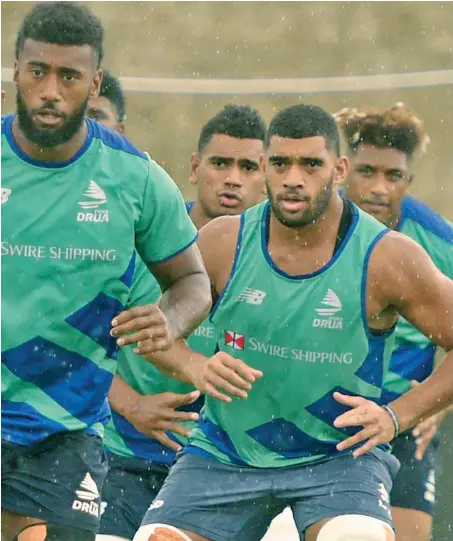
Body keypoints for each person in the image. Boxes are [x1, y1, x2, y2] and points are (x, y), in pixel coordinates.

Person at [112, 102, 453, 541]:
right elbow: (155, 333)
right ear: (265, 167)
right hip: (224, 454)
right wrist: (194, 366)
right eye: (279, 163)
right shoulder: (223, 242)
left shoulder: (388, 257)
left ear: (340, 169)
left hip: (339, 458)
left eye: (311, 164)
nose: (293, 178)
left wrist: (396, 415)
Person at [1, 2, 211, 540]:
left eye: (68, 76)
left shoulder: (134, 178)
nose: (50, 90)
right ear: (16, 72)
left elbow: (191, 282)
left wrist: (171, 321)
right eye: (37, 71)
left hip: (65, 431)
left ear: (93, 85)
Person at [93, 104, 267, 541]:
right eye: (220, 163)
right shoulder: (139, 240)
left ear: (265, 178)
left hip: (223, 470)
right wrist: (133, 405)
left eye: (248, 167)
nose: (233, 177)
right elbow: (74, 341)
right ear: (194, 167)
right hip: (121, 456)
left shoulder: (275, 263)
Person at [336, 103, 453, 541]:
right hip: (322, 413)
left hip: (403, 419)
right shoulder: (311, 223)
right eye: (367, 172)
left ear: (409, 181)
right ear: (344, 169)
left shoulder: (437, 240)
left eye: (393, 176)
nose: (379, 188)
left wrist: (440, 402)